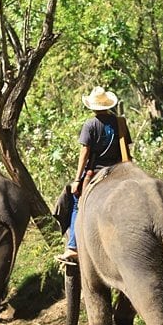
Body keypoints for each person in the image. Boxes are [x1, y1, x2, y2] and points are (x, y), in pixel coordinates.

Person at [56, 86, 131, 263]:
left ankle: (72, 246)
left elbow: (85, 153)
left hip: (96, 171)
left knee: (76, 202)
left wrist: (77, 180)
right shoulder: (119, 123)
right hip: (119, 170)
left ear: (92, 107)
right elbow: (126, 148)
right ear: (107, 105)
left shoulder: (90, 125)